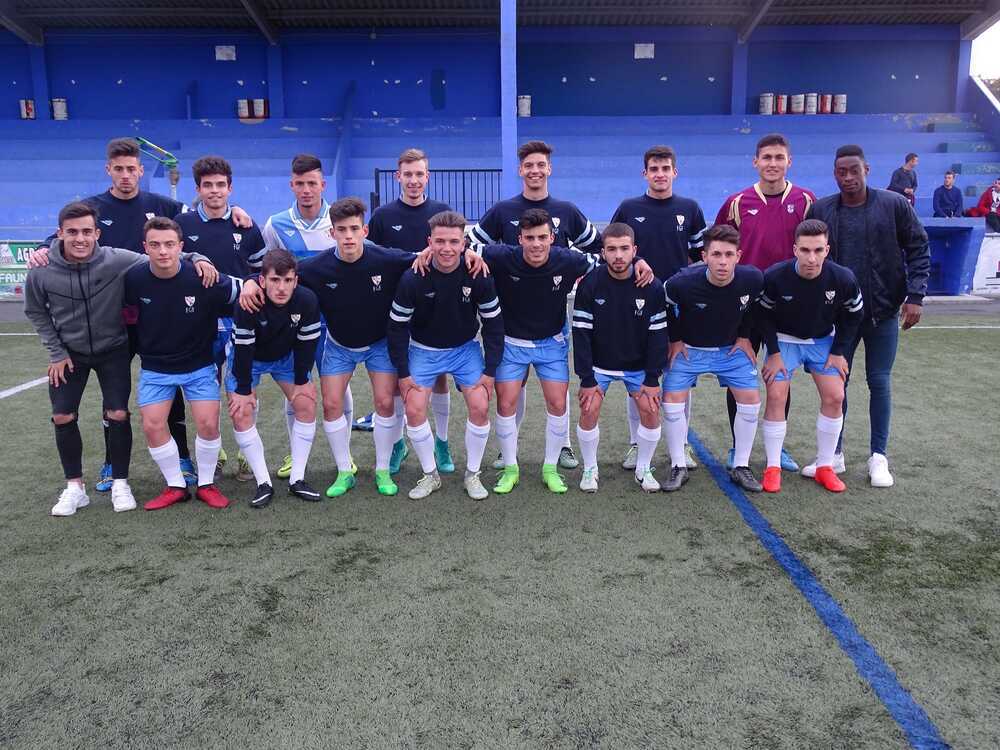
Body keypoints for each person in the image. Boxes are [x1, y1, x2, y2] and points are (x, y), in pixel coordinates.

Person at [34, 138, 250, 492]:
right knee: (114, 397)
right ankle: (111, 463)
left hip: (157, 308)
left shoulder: (161, 204)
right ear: (109, 170)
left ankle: (183, 456)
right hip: (113, 317)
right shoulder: (92, 207)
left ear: (140, 170)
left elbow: (203, 210)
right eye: (118, 169)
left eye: (131, 169)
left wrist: (235, 212)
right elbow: (67, 231)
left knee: (171, 378)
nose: (125, 175)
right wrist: (44, 248)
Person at [241, 198, 485, 498]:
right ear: (332, 233)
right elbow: (282, 274)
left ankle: (382, 470)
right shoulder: (316, 267)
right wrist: (251, 281)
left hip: (379, 344)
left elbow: (432, 255)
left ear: (364, 231)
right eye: (342, 230)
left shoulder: (386, 259)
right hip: (339, 345)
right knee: (331, 405)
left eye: (354, 229)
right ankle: (345, 472)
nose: (348, 236)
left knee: (384, 403)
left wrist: (468, 253)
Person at [24, 202, 216, 516]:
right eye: (72, 232)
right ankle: (75, 488)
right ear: (59, 234)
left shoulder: (115, 259)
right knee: (62, 416)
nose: (80, 238)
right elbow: (35, 311)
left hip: (113, 349)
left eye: (87, 231)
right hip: (68, 354)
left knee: (117, 413)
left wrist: (198, 257)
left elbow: (163, 255)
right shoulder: (42, 269)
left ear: (97, 234)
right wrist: (56, 352)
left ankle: (120, 483)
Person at [473, 209, 654, 495]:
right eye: (529, 238)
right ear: (519, 239)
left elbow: (607, 258)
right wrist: (468, 255)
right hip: (512, 343)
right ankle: (510, 469)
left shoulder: (569, 260)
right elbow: (463, 245)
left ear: (552, 238)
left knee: (558, 405)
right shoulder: (501, 256)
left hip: (552, 343)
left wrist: (639, 260)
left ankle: (550, 468)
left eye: (542, 237)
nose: (536, 244)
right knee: (506, 405)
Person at [469, 140, 600, 470]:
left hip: (552, 313)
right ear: (520, 170)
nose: (535, 170)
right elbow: (470, 244)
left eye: (541, 165)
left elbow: (599, 247)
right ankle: (508, 450)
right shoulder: (503, 211)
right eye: (529, 165)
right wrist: (476, 259)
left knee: (557, 389)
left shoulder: (567, 211)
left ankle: (563, 446)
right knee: (513, 387)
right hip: (511, 316)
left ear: (549, 169)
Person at [806, 144, 930, 487]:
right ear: (834, 174)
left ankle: (878, 456)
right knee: (836, 385)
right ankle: (834, 454)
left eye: (854, 170)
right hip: (839, 317)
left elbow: (918, 247)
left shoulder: (893, 204)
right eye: (841, 172)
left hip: (883, 312)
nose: (848, 177)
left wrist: (915, 295)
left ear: (867, 170)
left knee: (879, 381)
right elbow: (811, 258)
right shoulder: (822, 209)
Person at [125, 217, 241, 511]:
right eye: (155, 245)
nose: (163, 251)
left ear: (181, 247)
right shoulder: (134, 279)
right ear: (145, 247)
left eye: (169, 244)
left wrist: (253, 283)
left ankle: (206, 484)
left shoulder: (202, 276)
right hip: (155, 368)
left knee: (208, 423)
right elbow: (125, 317)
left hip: (199, 366)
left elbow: (243, 290)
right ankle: (176, 485)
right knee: (152, 425)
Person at [715, 133, 815, 473]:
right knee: (739, 373)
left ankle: (777, 447)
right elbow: (719, 248)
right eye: (767, 157)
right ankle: (737, 446)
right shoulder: (736, 203)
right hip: (743, 304)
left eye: (779, 157)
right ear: (755, 162)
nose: (773, 163)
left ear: (789, 162)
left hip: (786, 304)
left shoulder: (806, 201)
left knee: (779, 376)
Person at [387, 210, 504, 501]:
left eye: (454, 242)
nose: (447, 248)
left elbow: (494, 325)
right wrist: (403, 372)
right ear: (429, 242)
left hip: (465, 349)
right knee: (414, 408)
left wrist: (490, 371)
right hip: (424, 350)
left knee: (480, 405)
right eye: (440, 241)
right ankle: (430, 475)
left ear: (464, 243)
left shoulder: (478, 273)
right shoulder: (413, 277)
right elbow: (397, 328)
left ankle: (472, 474)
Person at [610, 144, 706, 472]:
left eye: (666, 169)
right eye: (654, 169)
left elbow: (699, 255)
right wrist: (636, 260)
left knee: (679, 374)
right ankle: (637, 442)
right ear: (645, 173)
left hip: (679, 307)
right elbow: (612, 246)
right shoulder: (629, 208)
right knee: (639, 375)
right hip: (637, 303)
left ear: (675, 172)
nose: (660, 174)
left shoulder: (690, 208)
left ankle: (682, 444)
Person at [361, 147, 455, 473]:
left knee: (439, 378)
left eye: (419, 174)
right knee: (399, 379)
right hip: (394, 308)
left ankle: (442, 443)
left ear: (427, 177)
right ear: (397, 176)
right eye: (408, 174)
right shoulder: (383, 216)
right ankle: (398, 444)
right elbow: (371, 257)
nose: (413, 180)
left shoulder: (441, 211)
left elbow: (457, 248)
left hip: (435, 308)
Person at [757, 219, 864, 494]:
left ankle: (825, 467)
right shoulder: (775, 276)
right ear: (795, 249)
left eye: (818, 250)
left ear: (827, 250)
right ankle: (772, 467)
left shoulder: (843, 278)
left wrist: (839, 352)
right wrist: (773, 353)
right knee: (776, 395)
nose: (811, 258)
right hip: (785, 340)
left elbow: (854, 315)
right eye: (805, 250)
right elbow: (763, 316)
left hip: (822, 341)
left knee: (836, 396)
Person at [660, 224, 764, 493]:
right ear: (704, 256)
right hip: (689, 349)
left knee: (751, 400)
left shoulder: (753, 279)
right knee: (671, 401)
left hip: (730, 351)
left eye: (729, 255)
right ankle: (678, 465)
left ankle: (741, 465)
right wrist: (675, 339)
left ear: (738, 256)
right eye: (716, 254)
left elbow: (755, 306)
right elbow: (664, 304)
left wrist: (745, 336)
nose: (723, 261)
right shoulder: (681, 282)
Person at [571, 223, 667, 493]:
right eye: (611, 249)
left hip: (637, 366)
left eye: (624, 249)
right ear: (602, 253)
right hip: (599, 366)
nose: (618, 255)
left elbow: (658, 336)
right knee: (589, 408)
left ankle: (643, 468)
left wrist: (652, 378)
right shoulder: (590, 284)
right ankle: (590, 468)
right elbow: (581, 334)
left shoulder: (652, 287)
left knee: (650, 410)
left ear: (635, 251)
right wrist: (587, 378)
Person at [227, 249, 322, 507]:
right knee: (241, 411)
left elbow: (307, 344)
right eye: (275, 280)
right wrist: (243, 389)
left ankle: (297, 479)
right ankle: (263, 483)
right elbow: (243, 348)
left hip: (285, 357)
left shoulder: (307, 300)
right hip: (249, 359)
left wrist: (302, 381)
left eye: (288, 280)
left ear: (296, 280)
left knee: (306, 403)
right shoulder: (248, 302)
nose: (281, 287)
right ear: (262, 280)